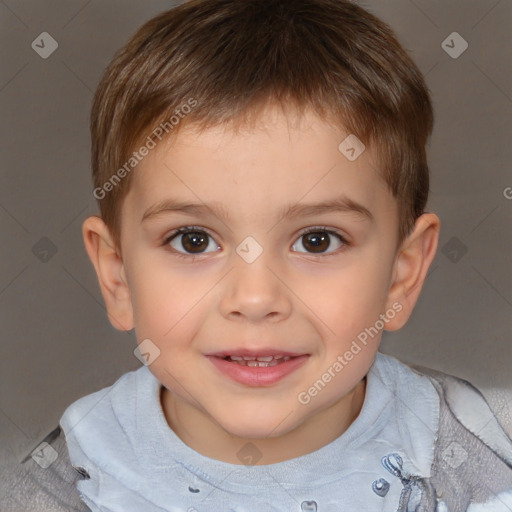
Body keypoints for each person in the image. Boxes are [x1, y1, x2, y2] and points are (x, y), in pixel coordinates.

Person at [4, 0, 512, 510]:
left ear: (402, 275)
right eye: (193, 240)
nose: (254, 298)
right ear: (117, 276)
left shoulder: (482, 455)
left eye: (317, 240)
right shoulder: (68, 484)